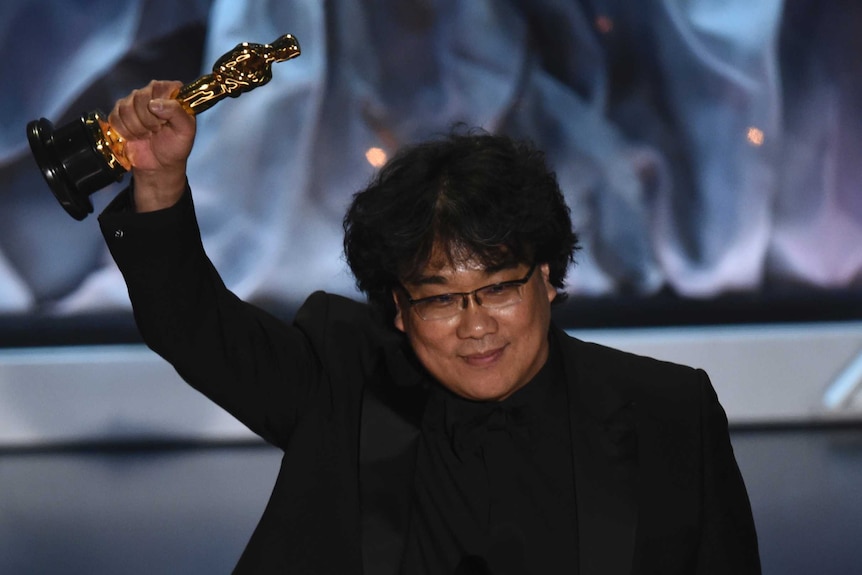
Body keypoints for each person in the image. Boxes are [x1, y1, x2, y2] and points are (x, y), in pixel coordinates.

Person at [97, 80, 761, 574]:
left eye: (498, 288)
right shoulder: (343, 378)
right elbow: (193, 325)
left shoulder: (668, 412)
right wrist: (158, 183)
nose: (475, 326)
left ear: (549, 279)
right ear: (397, 307)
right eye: (441, 299)